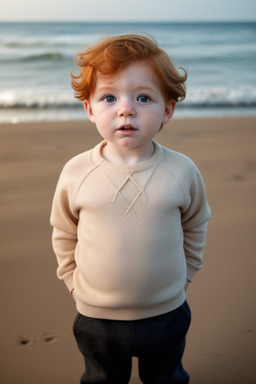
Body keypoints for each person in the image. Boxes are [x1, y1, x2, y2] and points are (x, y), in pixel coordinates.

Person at [50, 34, 211, 384]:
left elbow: (197, 222)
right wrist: (71, 281)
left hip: (167, 312)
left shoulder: (182, 170)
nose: (126, 109)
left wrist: (187, 274)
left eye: (143, 98)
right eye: (109, 97)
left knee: (166, 377)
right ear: (90, 108)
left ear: (167, 109)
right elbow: (64, 230)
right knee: (102, 379)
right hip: (96, 318)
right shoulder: (77, 172)